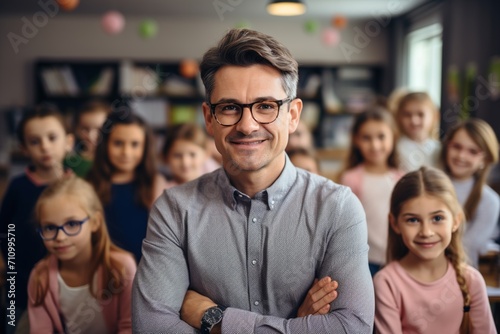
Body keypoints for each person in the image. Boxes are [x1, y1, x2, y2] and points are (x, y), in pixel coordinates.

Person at [132, 28, 374, 333]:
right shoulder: (174, 210)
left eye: (265, 106)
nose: (247, 126)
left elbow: (350, 328)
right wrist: (295, 326)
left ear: (293, 115)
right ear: (208, 117)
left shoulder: (338, 208)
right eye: (230, 107)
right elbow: (152, 327)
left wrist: (216, 321)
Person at [374, 166, 495, 333]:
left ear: (455, 221)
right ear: (395, 223)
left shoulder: (472, 280)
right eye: (413, 220)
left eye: (437, 218)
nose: (426, 232)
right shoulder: (386, 283)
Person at [28, 176, 136, 333]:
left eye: (72, 224)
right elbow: (40, 330)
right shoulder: (39, 276)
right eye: (50, 227)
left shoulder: (122, 267)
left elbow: (129, 327)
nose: (60, 237)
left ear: (95, 222)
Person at [0, 104, 74, 331]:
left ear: (68, 142)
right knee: (14, 325)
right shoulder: (18, 187)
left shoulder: (76, 187)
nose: (45, 147)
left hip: (68, 286)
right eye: (35, 141)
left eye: (52, 137)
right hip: (20, 283)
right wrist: (12, 269)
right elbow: (6, 231)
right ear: (23, 148)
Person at [87, 109, 168, 262]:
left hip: (147, 268)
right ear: (105, 144)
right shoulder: (90, 184)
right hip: (104, 267)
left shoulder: (155, 183)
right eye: (118, 143)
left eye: (135, 144)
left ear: (145, 147)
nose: (126, 152)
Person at [340, 107, 405, 276]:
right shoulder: (350, 179)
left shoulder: (401, 179)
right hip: (364, 261)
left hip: (398, 259)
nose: (375, 145)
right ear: (356, 140)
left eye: (381, 137)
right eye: (366, 138)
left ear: (393, 136)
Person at [440, 118, 500, 268]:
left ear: (485, 159)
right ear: (447, 146)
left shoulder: (490, 201)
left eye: (472, 151)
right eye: (457, 146)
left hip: (460, 275)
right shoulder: (429, 185)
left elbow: (466, 248)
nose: (461, 156)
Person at [395, 92, 441, 172]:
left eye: (420, 114)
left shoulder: (439, 149)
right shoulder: (394, 148)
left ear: (435, 116)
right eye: (407, 114)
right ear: (399, 117)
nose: (414, 121)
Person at [65, 100, 111, 178]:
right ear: (76, 129)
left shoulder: (114, 161)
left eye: (99, 129)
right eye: (85, 129)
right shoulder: (69, 161)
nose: (91, 136)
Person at [161, 123, 210, 187]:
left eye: (192, 155)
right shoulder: (164, 190)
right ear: (166, 157)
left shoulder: (214, 185)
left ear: (206, 154)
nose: (185, 162)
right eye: (177, 155)